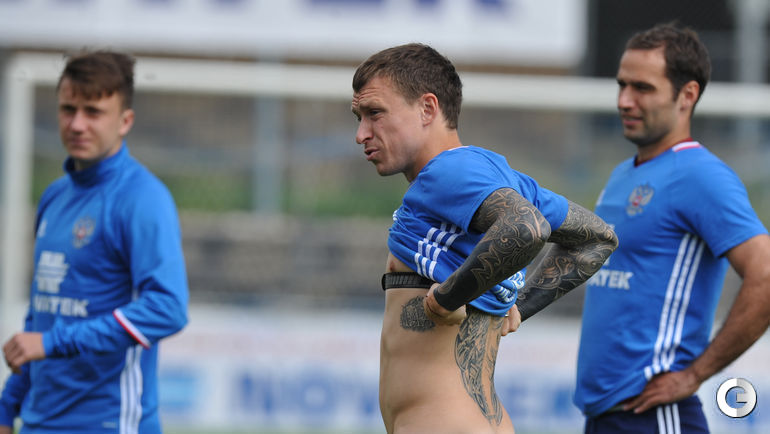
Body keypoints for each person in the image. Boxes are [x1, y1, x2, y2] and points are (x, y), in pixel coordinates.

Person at [352, 43, 618, 434]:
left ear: (427, 108)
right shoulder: (498, 176)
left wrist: (446, 299)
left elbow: (526, 228)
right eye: (358, 117)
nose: (361, 134)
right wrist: (518, 305)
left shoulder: (447, 171)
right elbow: (598, 239)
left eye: (375, 113)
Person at [574, 23, 770, 433]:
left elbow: (765, 273)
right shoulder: (623, 173)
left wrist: (695, 374)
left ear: (688, 95)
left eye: (642, 88)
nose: (624, 101)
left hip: (653, 415)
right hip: (603, 414)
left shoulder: (701, 175)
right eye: (622, 85)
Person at [0, 50, 189, 434]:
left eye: (93, 112)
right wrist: (6, 408)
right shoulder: (55, 196)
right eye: (68, 109)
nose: (77, 124)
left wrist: (54, 342)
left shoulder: (142, 199)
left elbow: (168, 308)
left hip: (108, 423)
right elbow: (42, 312)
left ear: (125, 121)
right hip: (38, 423)